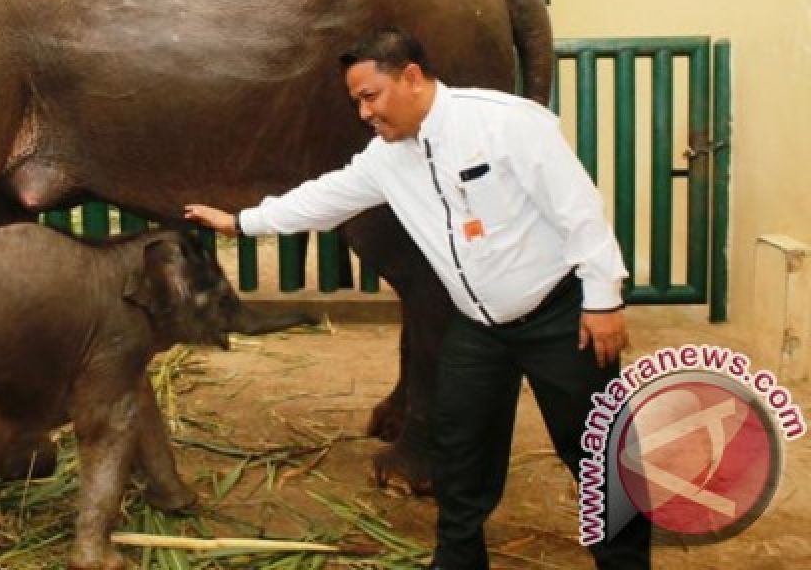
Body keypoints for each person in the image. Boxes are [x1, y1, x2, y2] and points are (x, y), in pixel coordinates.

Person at [185, 29, 650, 569]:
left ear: (410, 76)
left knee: (597, 449)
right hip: (477, 327)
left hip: (560, 316)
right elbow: (323, 198)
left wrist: (603, 298)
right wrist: (241, 223)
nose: (363, 114)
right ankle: (458, 560)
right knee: (461, 450)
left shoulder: (507, 122)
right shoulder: (386, 158)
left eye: (370, 96)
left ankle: (624, 563)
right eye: (356, 101)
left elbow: (578, 209)